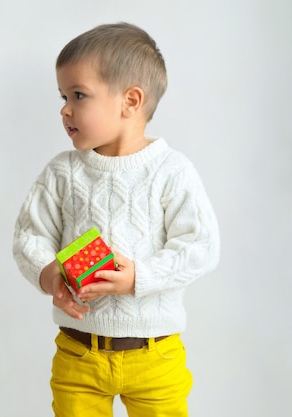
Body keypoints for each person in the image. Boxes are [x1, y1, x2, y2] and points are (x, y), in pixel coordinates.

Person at [12, 22, 220, 417]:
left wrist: (139, 277)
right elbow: (29, 237)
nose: (64, 109)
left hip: (155, 355)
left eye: (78, 95)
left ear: (130, 101)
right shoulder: (62, 173)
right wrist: (50, 274)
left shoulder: (172, 171)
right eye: (62, 96)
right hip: (78, 353)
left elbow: (201, 246)